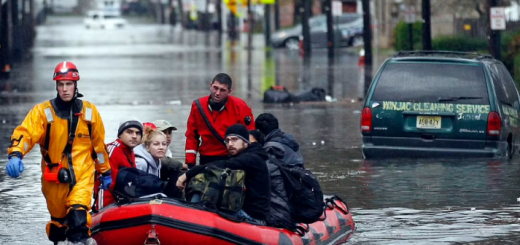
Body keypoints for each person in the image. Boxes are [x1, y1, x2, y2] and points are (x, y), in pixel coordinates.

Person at [5, 61, 111, 245]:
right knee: (58, 228)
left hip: (82, 175)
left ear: (76, 85)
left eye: (69, 84)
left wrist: (105, 171)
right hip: (54, 178)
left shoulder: (89, 113)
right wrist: (16, 154)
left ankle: (82, 240)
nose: (65, 89)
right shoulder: (42, 113)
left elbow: (98, 147)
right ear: (56, 86)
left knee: (78, 215)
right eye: (61, 85)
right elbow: (26, 134)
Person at [177, 124, 270, 225]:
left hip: (252, 218)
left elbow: (219, 165)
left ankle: (191, 220)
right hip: (243, 212)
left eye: (234, 140)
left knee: (202, 187)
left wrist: (187, 175)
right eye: (227, 140)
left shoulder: (252, 159)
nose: (230, 144)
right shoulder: (246, 156)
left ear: (246, 143)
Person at [185, 73, 255, 168]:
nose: (217, 93)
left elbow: (250, 135)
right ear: (210, 86)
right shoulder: (198, 106)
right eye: (215, 88)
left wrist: (249, 161)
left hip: (232, 157)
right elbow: (191, 136)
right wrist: (190, 164)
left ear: (229, 91)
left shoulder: (240, 106)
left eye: (222, 90)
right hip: (207, 158)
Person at [94, 117, 143, 210]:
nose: (134, 136)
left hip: (121, 203)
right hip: (108, 205)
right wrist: (102, 210)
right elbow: (103, 185)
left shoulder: (130, 151)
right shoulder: (113, 150)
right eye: (129, 132)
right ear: (120, 135)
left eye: (138, 133)